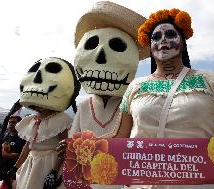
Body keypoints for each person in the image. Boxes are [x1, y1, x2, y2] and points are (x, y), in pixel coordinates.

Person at [115, 9, 214, 189]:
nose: (163, 40)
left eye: (170, 34)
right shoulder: (135, 87)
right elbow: (119, 138)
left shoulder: (210, 81)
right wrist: (81, 149)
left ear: (182, 42)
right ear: (150, 46)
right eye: (156, 37)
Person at [57, 2, 149, 188]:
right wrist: (67, 148)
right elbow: (74, 139)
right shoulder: (84, 106)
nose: (100, 55)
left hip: (117, 178)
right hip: (87, 178)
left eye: (117, 47)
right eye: (92, 46)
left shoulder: (133, 105)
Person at [0, 57, 80, 189]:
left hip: (50, 164)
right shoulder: (32, 120)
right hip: (31, 164)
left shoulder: (62, 119)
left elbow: (64, 149)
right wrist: (15, 167)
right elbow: (28, 147)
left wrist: (53, 172)